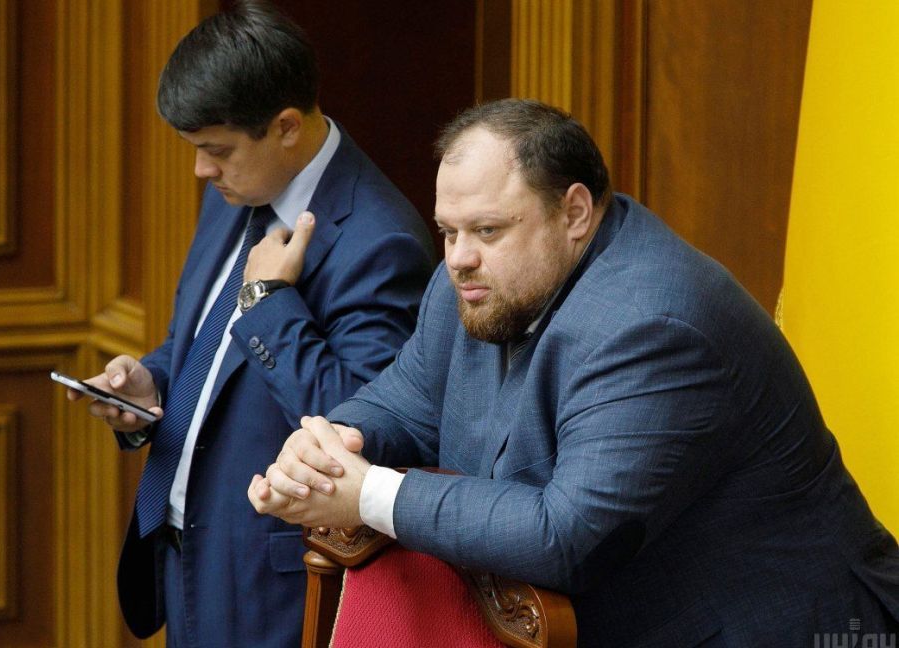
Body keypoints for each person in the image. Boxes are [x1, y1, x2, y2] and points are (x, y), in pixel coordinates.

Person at [250, 99, 899, 647]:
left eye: (488, 230)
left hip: (768, 627)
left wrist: (369, 494)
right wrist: (328, 449)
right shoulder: (473, 283)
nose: (458, 258)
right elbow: (406, 402)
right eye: (448, 231)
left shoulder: (653, 324)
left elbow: (567, 537)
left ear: (575, 213)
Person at [66, 2, 435, 646]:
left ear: (286, 127)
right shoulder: (238, 191)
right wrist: (151, 385)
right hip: (184, 557)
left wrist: (268, 300)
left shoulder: (380, 242)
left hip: (270, 589)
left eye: (217, 151)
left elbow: (357, 432)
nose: (200, 171)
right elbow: (201, 342)